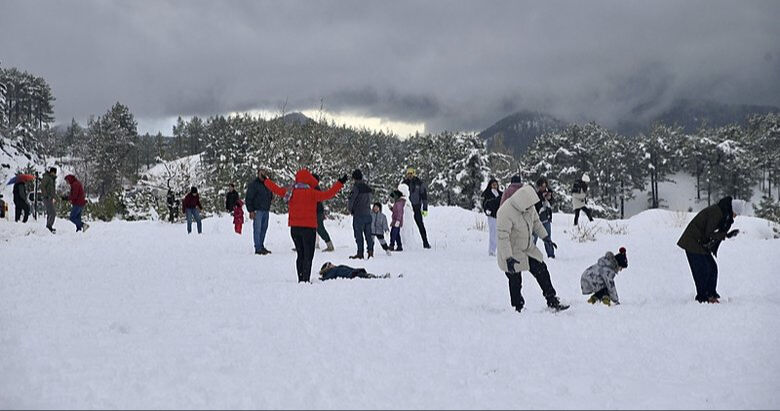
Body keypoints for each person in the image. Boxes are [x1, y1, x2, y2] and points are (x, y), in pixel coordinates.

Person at [263, 168, 347, 283]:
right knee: (308, 256)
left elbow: (276, 189)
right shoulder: (312, 193)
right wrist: (340, 183)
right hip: (309, 229)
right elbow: (328, 194)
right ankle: (305, 280)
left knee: (300, 254)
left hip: (294, 228)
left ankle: (301, 278)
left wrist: (266, 180)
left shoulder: (290, 192)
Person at [496, 184, 568, 313]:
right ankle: (518, 308)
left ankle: (552, 300)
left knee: (541, 269)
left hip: (528, 248)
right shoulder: (505, 212)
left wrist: (545, 237)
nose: (532, 208)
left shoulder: (529, 207)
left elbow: (536, 223)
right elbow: (503, 237)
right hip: (512, 252)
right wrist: (508, 258)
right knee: (515, 280)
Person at [677, 196, 743, 303]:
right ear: (732, 209)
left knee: (712, 268)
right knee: (703, 270)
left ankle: (711, 294)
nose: (735, 217)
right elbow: (709, 233)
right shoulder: (717, 212)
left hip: (700, 243)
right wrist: (725, 235)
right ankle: (703, 297)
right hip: (692, 241)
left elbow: (710, 234)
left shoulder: (722, 212)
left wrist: (725, 235)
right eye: (736, 214)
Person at [402, 167, 431, 249]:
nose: (409, 175)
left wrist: (425, 208)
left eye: (411, 174)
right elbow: (398, 193)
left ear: (414, 174)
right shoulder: (404, 183)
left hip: (416, 207)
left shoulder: (419, 183)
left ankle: (425, 242)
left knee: (420, 225)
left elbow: (424, 196)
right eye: (408, 174)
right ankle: (401, 244)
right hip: (406, 208)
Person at [246, 168, 273, 255]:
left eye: (264, 173)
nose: (263, 175)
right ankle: (258, 247)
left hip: (266, 209)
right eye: (261, 173)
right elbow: (249, 198)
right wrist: (251, 210)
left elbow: (270, 194)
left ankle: (261, 245)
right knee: (257, 229)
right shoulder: (254, 185)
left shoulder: (267, 184)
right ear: (258, 174)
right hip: (258, 210)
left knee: (264, 229)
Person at [348, 169, 374, 259]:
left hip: (358, 214)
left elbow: (351, 200)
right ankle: (370, 252)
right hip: (368, 213)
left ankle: (360, 253)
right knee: (368, 235)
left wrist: (351, 210)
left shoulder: (356, 188)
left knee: (358, 235)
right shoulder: (368, 188)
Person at [533, 178, 556, 258]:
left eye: (544, 186)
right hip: (537, 220)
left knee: (547, 237)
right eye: (542, 186)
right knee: (534, 238)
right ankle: (531, 254)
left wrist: (549, 198)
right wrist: (542, 198)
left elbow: (552, 203)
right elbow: (536, 206)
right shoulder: (536, 195)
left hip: (546, 218)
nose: (543, 188)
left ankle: (551, 254)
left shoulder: (548, 193)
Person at [312, 173, 335, 252]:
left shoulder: (315, 188)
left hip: (317, 211)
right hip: (316, 211)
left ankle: (329, 245)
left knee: (320, 229)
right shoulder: (314, 187)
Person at [481, 178, 503, 256]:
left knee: (500, 233)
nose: (494, 186)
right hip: (492, 215)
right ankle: (492, 250)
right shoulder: (487, 194)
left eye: (496, 184)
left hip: (500, 215)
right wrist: (486, 211)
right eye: (493, 184)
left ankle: (499, 249)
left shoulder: (500, 193)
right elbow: (484, 204)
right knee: (493, 233)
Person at [318, 262, 390, 281]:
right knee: (367, 277)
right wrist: (319, 279)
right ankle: (380, 277)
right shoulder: (332, 271)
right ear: (327, 269)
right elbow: (327, 278)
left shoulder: (337, 267)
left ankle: (380, 277)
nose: (332, 264)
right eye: (329, 264)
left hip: (354, 272)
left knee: (367, 275)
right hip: (351, 275)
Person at [41, 167, 58, 233]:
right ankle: (49, 226)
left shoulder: (52, 179)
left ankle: (48, 227)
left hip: (50, 198)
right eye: (54, 172)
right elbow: (42, 186)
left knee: (49, 213)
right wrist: (46, 195)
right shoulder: (47, 177)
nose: (55, 174)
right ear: (51, 172)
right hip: (46, 198)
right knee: (53, 213)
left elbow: (52, 190)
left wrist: (54, 197)